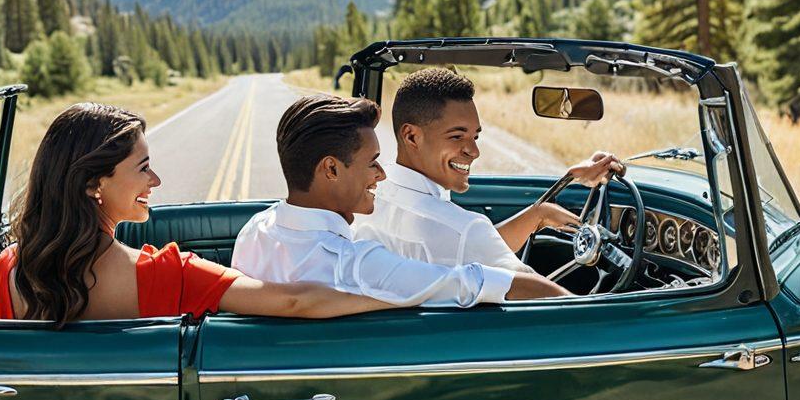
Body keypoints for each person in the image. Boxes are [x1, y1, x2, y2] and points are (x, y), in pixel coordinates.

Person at [0, 102, 392, 325]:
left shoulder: (11, 268)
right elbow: (293, 302)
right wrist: (410, 292)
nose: (156, 180)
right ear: (94, 184)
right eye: (143, 168)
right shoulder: (168, 275)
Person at [231, 93, 567, 305]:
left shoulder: (255, 231)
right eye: (371, 162)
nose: (381, 174)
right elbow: (482, 283)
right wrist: (576, 304)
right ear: (331, 169)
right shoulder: (358, 266)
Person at [353, 68, 625, 271]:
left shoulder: (367, 196)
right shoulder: (462, 230)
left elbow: (473, 247)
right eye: (457, 136)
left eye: (476, 137)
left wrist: (539, 214)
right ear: (412, 137)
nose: (474, 151)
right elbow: (546, 298)